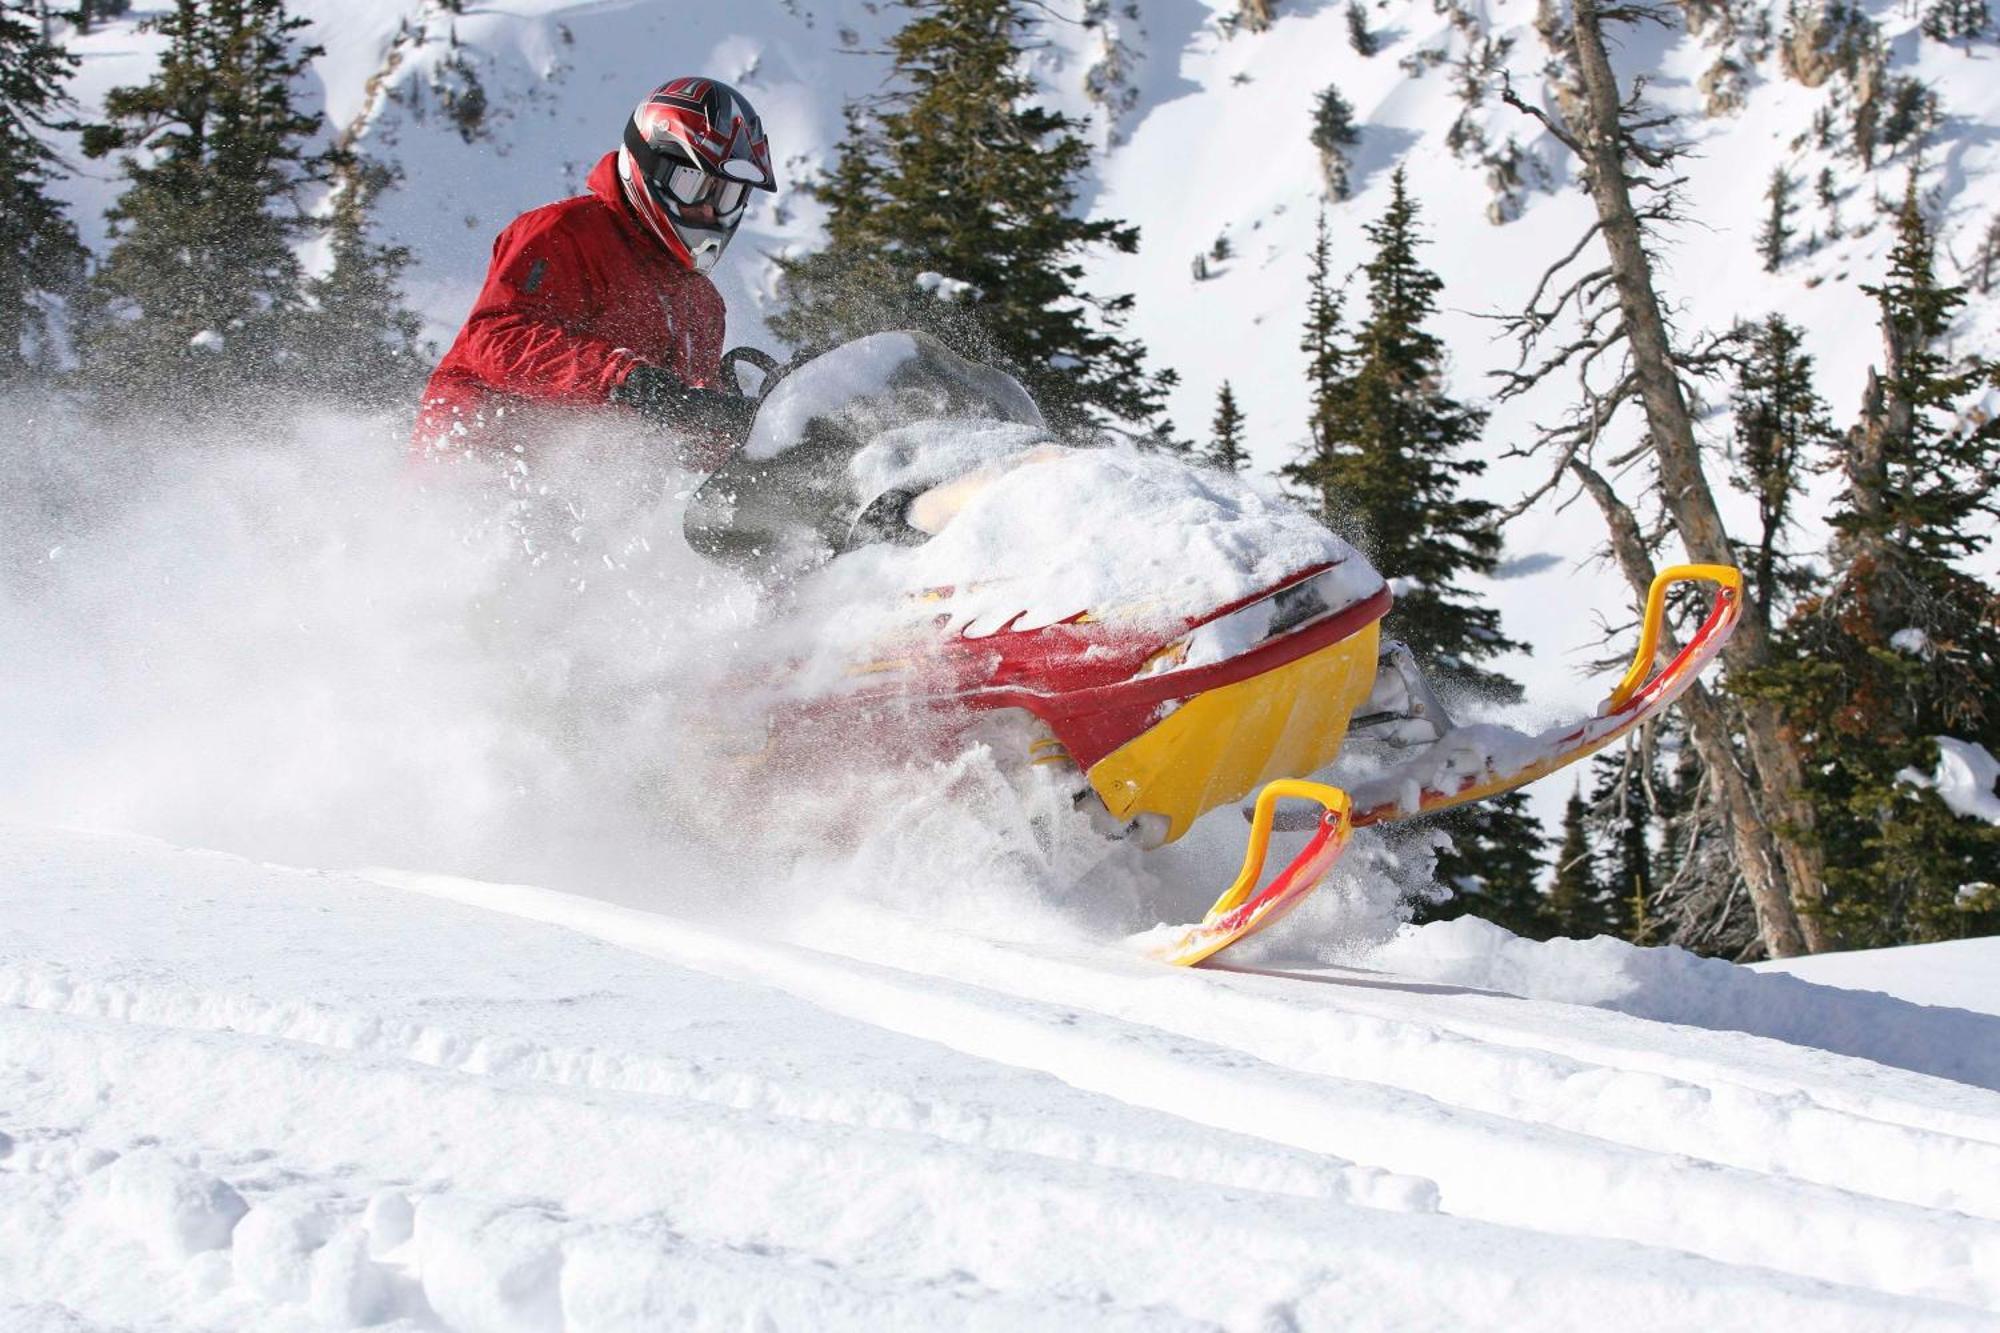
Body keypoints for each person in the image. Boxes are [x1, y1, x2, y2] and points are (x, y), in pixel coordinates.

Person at [412, 77, 777, 463]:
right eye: (693, 186)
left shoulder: (703, 303)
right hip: (478, 457)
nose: (708, 211)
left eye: (727, 196)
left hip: (589, 487)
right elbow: (497, 338)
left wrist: (740, 426)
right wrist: (625, 378)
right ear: (650, 166)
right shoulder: (565, 234)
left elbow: (685, 417)